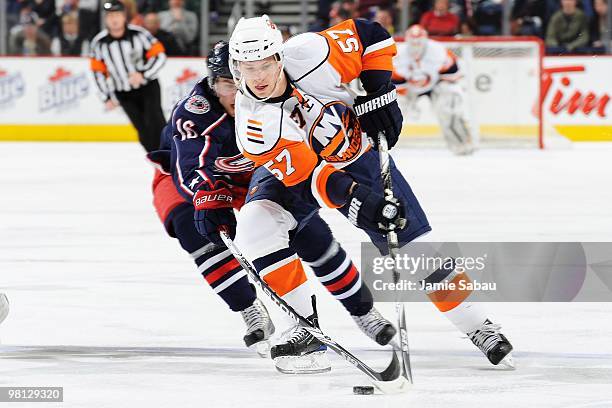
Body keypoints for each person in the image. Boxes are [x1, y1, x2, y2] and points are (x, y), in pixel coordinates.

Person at [228, 15, 513, 368]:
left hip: (357, 153)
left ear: (280, 58)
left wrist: (379, 90)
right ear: (235, 66)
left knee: (414, 250)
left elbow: (370, 34)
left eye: (264, 64)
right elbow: (309, 178)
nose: (257, 77)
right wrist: (358, 201)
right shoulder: (254, 123)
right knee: (257, 225)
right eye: (246, 67)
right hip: (305, 174)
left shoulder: (310, 52)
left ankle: (477, 324)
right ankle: (303, 331)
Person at [152, 41, 397, 374]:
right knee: (194, 229)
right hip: (189, 182)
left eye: (235, 81)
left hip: (258, 173)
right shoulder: (195, 112)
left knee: (308, 233)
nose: (232, 92)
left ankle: (362, 310)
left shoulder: (274, 99)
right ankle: (249, 308)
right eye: (223, 83)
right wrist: (210, 195)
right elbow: (191, 165)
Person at [90, 0, 167, 152]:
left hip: (148, 88)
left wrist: (144, 74)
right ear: (106, 19)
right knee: (143, 132)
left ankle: (170, 157)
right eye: (110, 15)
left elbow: (160, 55)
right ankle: (158, 162)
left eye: (117, 14)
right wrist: (106, 97)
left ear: (124, 16)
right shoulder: (99, 43)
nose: (114, 19)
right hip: (123, 93)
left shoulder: (139, 34)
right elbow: (98, 72)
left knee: (156, 124)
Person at [393, 25, 475, 155]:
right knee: (392, 113)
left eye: (419, 43)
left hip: (436, 83)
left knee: (447, 111)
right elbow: (397, 85)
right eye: (412, 43)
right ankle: (386, 147)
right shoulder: (397, 55)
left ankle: (463, 144)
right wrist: (407, 102)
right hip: (409, 88)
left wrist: (445, 89)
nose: (416, 47)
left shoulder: (439, 51)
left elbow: (453, 75)